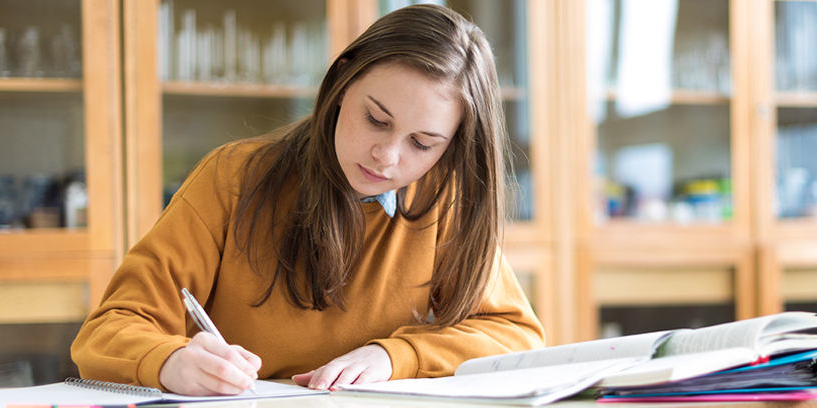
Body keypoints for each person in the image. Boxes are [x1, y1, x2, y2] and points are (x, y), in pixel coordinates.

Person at [71, 4, 545, 396]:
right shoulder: (231, 178)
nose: (387, 156)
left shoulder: (442, 200)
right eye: (376, 119)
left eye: (423, 143)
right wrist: (169, 362)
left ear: (452, 145)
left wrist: (395, 356)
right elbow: (107, 329)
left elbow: (515, 336)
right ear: (341, 83)